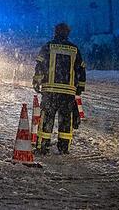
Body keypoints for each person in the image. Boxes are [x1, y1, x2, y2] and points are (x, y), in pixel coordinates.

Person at [32, 22, 86, 154]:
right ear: (68, 33)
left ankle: (43, 146)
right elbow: (81, 70)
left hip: (50, 91)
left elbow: (40, 66)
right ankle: (64, 147)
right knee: (66, 120)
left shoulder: (48, 47)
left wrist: (37, 82)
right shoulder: (74, 49)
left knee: (47, 118)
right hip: (68, 93)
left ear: (55, 32)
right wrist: (79, 87)